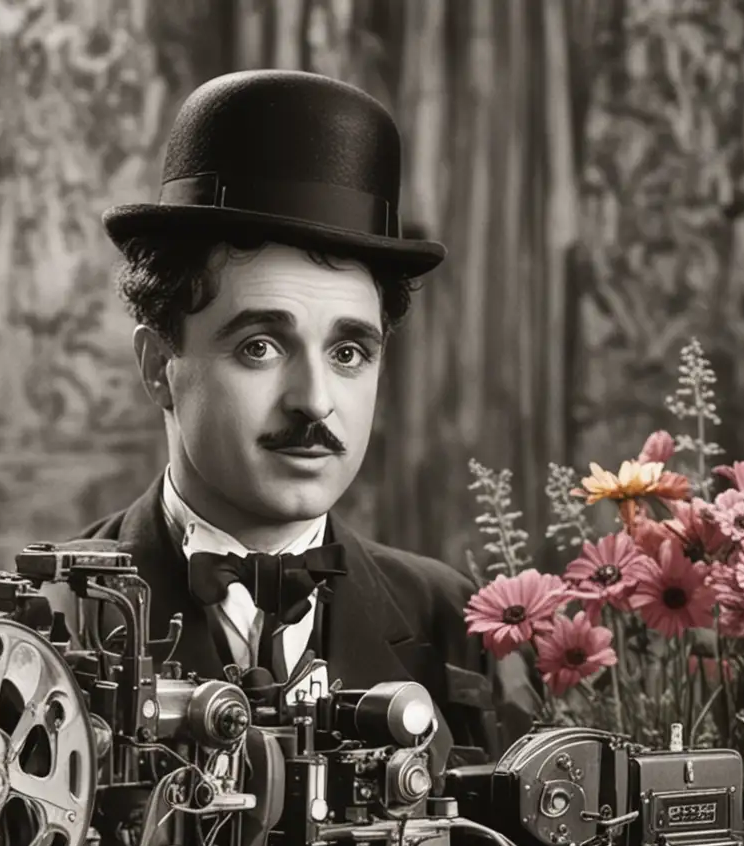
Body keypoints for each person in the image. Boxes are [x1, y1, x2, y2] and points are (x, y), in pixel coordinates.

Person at [82, 67, 494, 760]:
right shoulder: (39, 627)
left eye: (349, 352)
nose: (315, 400)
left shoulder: (457, 619)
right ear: (159, 367)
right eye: (261, 346)